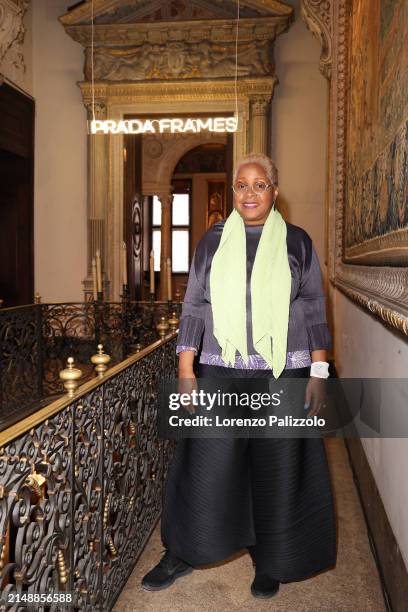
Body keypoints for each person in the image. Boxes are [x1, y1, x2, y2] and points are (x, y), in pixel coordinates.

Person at [142, 153, 337, 598]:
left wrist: (319, 370)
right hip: (219, 369)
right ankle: (183, 551)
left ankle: (269, 557)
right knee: (204, 464)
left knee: (277, 467)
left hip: (282, 371)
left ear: (274, 191)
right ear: (233, 193)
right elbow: (194, 305)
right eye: (241, 185)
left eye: (260, 184)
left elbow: (312, 310)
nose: (250, 193)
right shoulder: (211, 242)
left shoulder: (297, 243)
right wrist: (186, 368)